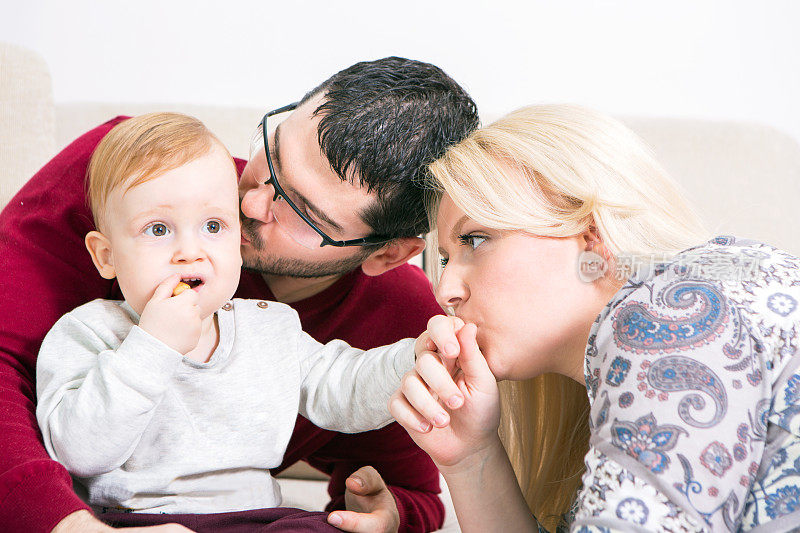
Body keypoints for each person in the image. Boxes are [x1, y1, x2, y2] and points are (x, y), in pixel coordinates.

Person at [0, 57, 479, 533]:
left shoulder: (302, 324)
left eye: (304, 212)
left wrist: (384, 509)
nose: (248, 201)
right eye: (271, 154)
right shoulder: (131, 179)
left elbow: (395, 466)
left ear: (389, 255)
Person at [389, 104, 800, 531]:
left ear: (591, 235)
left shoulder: (673, 313)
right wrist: (470, 456)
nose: (445, 290)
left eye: (476, 239)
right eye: (443, 258)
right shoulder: (642, 351)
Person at [36, 112, 423, 521]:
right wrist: (152, 347)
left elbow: (344, 390)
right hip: (133, 516)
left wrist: (416, 361)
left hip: (256, 517)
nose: (190, 251)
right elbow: (79, 453)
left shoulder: (271, 327)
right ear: (106, 255)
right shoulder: (89, 331)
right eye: (158, 230)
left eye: (213, 225)